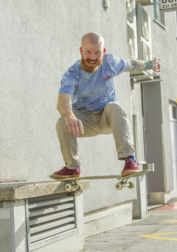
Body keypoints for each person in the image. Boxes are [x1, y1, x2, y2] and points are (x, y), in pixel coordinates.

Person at [52, 32, 160, 179]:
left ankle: (130, 160)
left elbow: (132, 65)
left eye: (97, 53)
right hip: (85, 122)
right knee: (62, 122)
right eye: (88, 52)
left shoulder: (110, 62)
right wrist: (69, 116)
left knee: (113, 106)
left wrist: (150, 65)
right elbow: (63, 99)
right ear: (81, 51)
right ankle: (72, 167)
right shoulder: (72, 73)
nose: (92, 58)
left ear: (103, 52)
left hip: (107, 119)